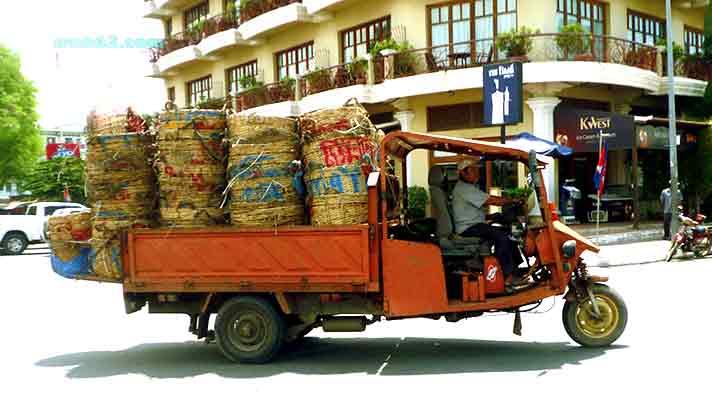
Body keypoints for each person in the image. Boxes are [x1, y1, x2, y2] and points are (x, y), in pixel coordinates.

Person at [451, 159, 522, 285]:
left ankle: (515, 269)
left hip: (474, 225)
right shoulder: (464, 188)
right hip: (468, 228)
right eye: (473, 170)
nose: (477, 173)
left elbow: (470, 212)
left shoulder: (467, 188)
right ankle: (508, 275)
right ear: (464, 173)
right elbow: (491, 200)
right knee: (502, 236)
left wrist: (490, 216)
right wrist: (513, 200)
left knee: (508, 232)